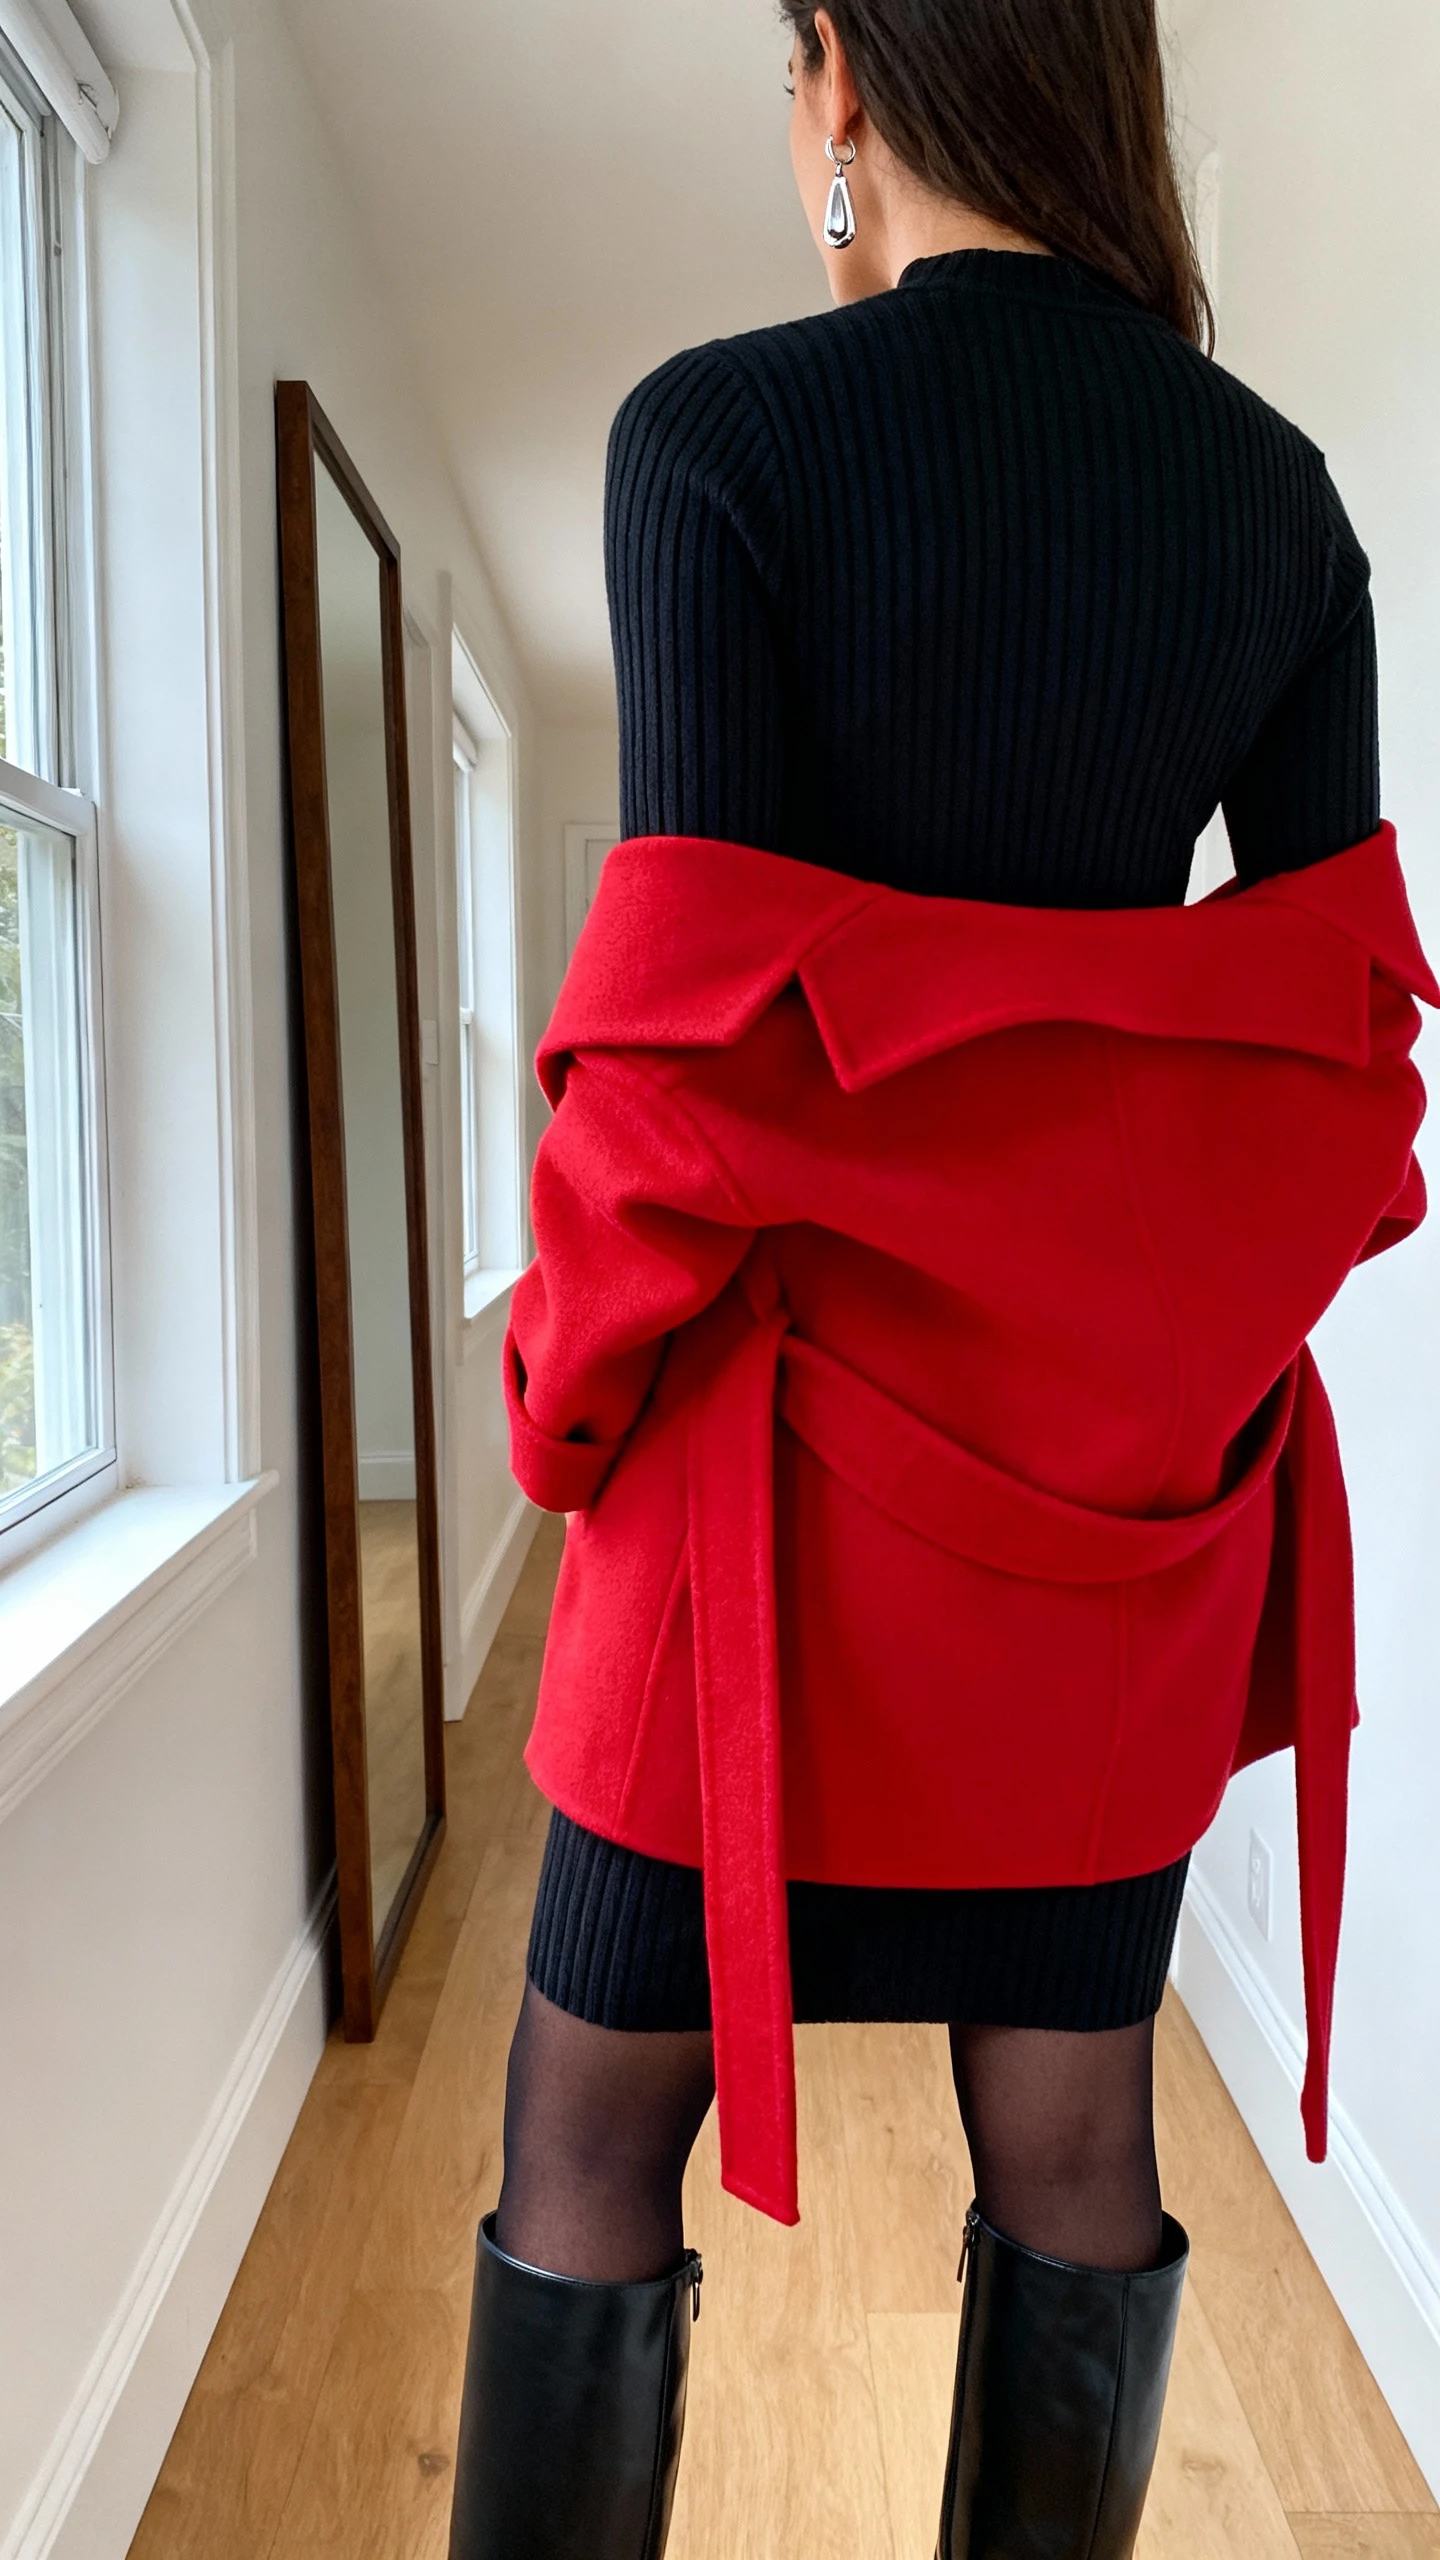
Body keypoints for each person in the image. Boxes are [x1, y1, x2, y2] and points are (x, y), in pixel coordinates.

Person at [445, 4, 1435, 2554]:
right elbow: (1334, 1077)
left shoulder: (717, 445)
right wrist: (1121, 1364)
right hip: (1089, 1540)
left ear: (847, 86)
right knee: (1077, 2135)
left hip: (744, 1536)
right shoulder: (1278, 509)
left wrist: (557, 1403)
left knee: (585, 2138)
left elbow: (687, 1077)